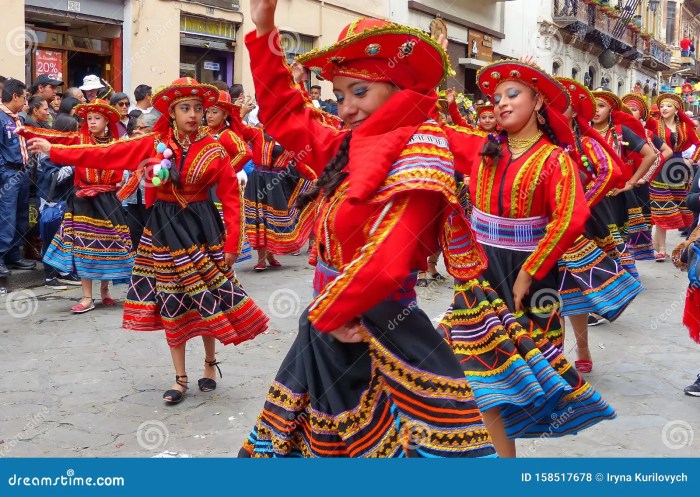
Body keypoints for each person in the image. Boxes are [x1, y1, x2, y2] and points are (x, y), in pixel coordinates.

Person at [239, 3, 502, 457]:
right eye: (339, 95)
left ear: (396, 86)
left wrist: (330, 315)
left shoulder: (422, 151)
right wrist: (264, 32)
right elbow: (285, 114)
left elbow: (389, 256)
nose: (346, 108)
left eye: (358, 91)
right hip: (331, 324)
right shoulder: (345, 147)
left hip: (382, 328)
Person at [28, 77, 269, 405]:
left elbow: (230, 199)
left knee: (208, 298)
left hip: (204, 230)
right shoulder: (154, 143)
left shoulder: (215, 148)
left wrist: (231, 246)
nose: (194, 114)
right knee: (173, 301)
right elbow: (107, 154)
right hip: (165, 231)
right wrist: (53, 149)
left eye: (199, 108)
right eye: (185, 108)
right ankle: (180, 378)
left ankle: (210, 364)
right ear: (171, 111)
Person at [555, 78, 643, 373]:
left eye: (563, 106)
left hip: (579, 228)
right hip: (540, 229)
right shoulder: (541, 139)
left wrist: (579, 204)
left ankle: (582, 346)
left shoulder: (586, 143)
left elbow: (608, 171)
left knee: (573, 292)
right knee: (546, 294)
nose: (557, 111)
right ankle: (554, 354)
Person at [18, 100, 133, 313]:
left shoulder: (116, 143)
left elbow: (129, 162)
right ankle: (87, 297)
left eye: (97, 118)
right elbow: (55, 138)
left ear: (107, 120)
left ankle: (105, 292)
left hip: (108, 200)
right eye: (89, 118)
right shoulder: (79, 139)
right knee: (84, 248)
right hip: (83, 200)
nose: (91, 122)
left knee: (109, 246)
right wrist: (26, 131)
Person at [649, 93, 700, 260]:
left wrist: (691, 161)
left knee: (682, 208)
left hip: (678, 169)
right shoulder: (654, 125)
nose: (664, 108)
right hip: (658, 168)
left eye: (668, 106)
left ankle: (688, 244)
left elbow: (699, 144)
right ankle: (661, 249)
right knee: (660, 208)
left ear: (677, 110)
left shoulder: (685, 128)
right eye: (662, 106)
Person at [36, 114, 79, 289]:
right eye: (74, 130)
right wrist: (75, 165)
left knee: (65, 235)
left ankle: (64, 271)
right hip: (50, 201)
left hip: (65, 199)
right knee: (50, 236)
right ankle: (49, 275)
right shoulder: (48, 149)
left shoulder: (66, 147)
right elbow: (54, 176)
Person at [0, 78, 37, 277]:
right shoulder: (0, 117)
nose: (25, 103)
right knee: (6, 215)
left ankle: (13, 254)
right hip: (8, 172)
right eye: (23, 98)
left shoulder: (18, 119)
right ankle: (1, 256)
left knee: (20, 215)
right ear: (14, 96)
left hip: (22, 172)